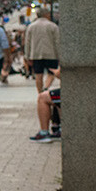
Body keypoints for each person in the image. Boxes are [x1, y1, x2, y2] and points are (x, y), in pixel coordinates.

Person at [25, 8, 61, 142]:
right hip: (50, 53)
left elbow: (27, 42)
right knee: (51, 73)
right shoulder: (53, 26)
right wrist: (59, 55)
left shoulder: (31, 26)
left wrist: (27, 55)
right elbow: (58, 42)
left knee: (38, 74)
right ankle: (46, 87)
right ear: (46, 15)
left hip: (36, 53)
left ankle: (40, 91)